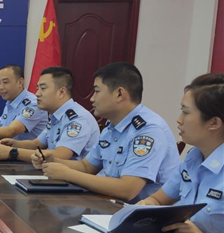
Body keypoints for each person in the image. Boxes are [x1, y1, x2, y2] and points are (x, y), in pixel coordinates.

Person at [31, 62, 179, 203]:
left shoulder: (148, 130)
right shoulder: (111, 127)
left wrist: (68, 174)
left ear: (119, 94)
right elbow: (86, 167)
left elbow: (128, 189)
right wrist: (53, 160)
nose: (92, 98)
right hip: (108, 203)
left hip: (139, 214)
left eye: (97, 91)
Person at [136, 74, 224, 233]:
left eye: (186, 112)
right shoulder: (194, 157)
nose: (179, 119)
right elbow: (158, 199)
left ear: (213, 123)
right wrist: (146, 206)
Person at [0, 67, 99, 162]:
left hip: (72, 179)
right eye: (37, 88)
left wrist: (13, 152)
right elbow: (36, 144)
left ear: (61, 92)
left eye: (43, 88)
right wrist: (14, 144)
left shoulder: (78, 118)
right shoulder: (55, 116)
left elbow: (60, 155)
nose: (37, 93)